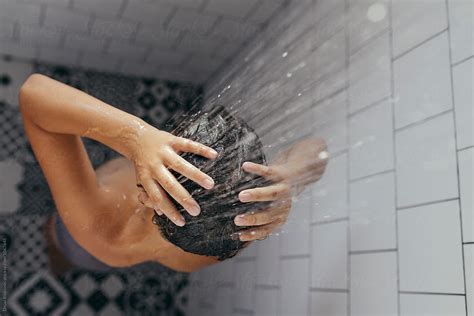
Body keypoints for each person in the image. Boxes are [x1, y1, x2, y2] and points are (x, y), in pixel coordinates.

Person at [19, 74, 328, 273]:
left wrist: (137, 137)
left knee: (58, 239)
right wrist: (288, 178)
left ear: (145, 194)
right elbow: (318, 149)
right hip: (136, 240)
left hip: (82, 244)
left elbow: (33, 94)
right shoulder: (232, 228)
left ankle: (57, 259)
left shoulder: (102, 230)